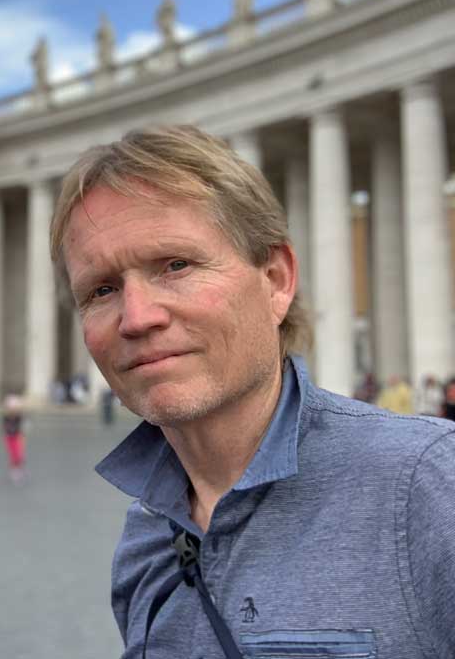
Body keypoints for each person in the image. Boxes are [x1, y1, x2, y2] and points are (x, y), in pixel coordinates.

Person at [49, 125, 455, 658]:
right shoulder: (146, 537)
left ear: (276, 279)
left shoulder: (429, 484)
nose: (137, 318)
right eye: (101, 290)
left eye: (176, 265)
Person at [1, 394, 27, 484]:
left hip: (17, 437)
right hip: (9, 438)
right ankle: (14, 471)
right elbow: (6, 429)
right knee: (13, 455)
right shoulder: (6, 418)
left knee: (19, 455)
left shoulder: (19, 417)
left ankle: (19, 470)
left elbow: (21, 428)